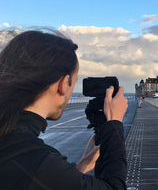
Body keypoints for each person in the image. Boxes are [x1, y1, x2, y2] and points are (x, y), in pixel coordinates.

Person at [0, 30, 128, 189]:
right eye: (73, 82)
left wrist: (78, 169)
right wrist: (114, 124)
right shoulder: (34, 158)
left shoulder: (11, 141)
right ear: (63, 84)